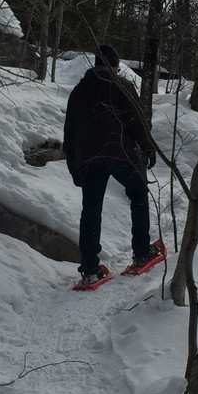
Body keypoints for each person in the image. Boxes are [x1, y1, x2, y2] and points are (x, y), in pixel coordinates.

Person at [63, 44, 159, 288]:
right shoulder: (120, 86)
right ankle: (141, 253)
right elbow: (136, 120)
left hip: (88, 159)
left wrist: (75, 168)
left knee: (91, 210)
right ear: (115, 66)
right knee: (138, 194)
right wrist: (148, 147)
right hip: (120, 153)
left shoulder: (78, 92)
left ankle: (89, 270)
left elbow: (69, 134)